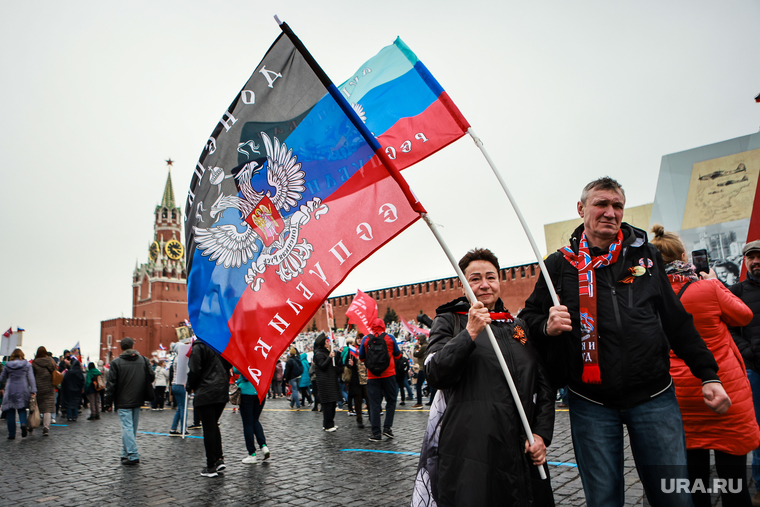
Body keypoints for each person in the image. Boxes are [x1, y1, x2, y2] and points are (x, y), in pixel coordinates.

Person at [521, 177, 728, 507]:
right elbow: (526, 322)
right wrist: (545, 325)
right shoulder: (559, 266)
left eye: (617, 205)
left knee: (674, 498)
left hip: (654, 396)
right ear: (581, 209)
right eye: (601, 204)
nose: (610, 212)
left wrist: (709, 373)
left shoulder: (645, 255)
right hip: (590, 401)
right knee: (603, 499)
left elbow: (676, 320)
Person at [415, 248, 555, 506]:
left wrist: (541, 435)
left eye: (490, 277)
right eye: (475, 278)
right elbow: (435, 373)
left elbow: (544, 386)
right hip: (472, 452)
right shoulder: (450, 321)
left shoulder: (517, 325)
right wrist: (469, 333)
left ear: (500, 281)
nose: (484, 285)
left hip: (519, 450)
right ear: (462, 283)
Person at [651, 224, 757, 506]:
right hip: (722, 387)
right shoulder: (707, 287)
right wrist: (715, 283)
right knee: (734, 480)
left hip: (681, 395)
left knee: (694, 478)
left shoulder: (652, 296)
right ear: (685, 256)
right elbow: (744, 316)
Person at [728, 239, 760, 506]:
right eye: (751, 257)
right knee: (758, 432)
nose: (756, 261)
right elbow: (728, 329)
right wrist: (746, 351)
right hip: (754, 370)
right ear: (745, 261)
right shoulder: (735, 291)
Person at [104, 337, 155, 465]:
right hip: (138, 398)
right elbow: (152, 376)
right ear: (133, 345)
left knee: (127, 428)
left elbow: (111, 384)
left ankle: (132, 454)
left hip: (122, 400)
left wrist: (107, 403)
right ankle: (125, 452)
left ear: (121, 348)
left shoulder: (116, 363)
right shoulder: (143, 360)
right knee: (131, 429)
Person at [186, 339, 231, 478]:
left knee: (209, 428)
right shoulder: (220, 344)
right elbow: (229, 364)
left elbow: (194, 369)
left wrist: (189, 386)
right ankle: (219, 459)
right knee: (214, 425)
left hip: (206, 391)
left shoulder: (199, 347)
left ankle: (211, 466)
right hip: (221, 391)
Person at [359, 318, 401, 441]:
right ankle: (387, 428)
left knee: (374, 404)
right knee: (391, 401)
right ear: (383, 326)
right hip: (388, 375)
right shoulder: (390, 338)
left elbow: (361, 358)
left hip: (372, 376)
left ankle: (376, 433)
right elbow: (397, 355)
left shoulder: (366, 339)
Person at [232, 366, 270, 464]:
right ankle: (263, 446)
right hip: (260, 391)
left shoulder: (245, 356)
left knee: (248, 423)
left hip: (246, 392)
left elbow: (235, 370)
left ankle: (252, 454)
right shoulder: (262, 354)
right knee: (255, 420)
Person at [0, 348, 37, 439]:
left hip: (10, 389)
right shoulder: (27, 365)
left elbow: (2, 379)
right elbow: (31, 378)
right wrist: (33, 390)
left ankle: (11, 434)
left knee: (10, 412)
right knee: (22, 409)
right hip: (23, 389)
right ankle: (23, 424)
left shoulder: (8, 365)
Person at [313, 333, 343, 432]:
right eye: (326, 341)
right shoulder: (318, 353)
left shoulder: (325, 352)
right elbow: (322, 366)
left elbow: (333, 364)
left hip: (330, 380)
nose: (328, 343)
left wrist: (337, 354)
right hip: (325, 382)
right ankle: (328, 425)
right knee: (328, 404)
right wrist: (330, 357)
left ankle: (329, 423)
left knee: (332, 403)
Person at [32, 347, 56, 436]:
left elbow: (32, 375)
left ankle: (32, 424)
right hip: (49, 386)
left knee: (35, 406)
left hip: (38, 386)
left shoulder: (35, 362)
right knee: (47, 409)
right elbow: (55, 370)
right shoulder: (50, 360)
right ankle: (46, 427)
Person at [346, 337, 370, 429]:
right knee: (358, 401)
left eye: (361, 338)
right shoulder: (353, 351)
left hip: (367, 379)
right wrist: (350, 364)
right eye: (358, 338)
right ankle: (359, 419)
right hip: (357, 381)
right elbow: (345, 363)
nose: (359, 340)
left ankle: (372, 418)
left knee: (369, 400)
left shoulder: (367, 350)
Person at [61, 357, 85, 422]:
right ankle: (75, 416)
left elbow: (64, 381)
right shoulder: (80, 373)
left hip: (69, 390)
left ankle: (69, 417)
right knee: (76, 404)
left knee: (69, 404)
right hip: (77, 390)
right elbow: (82, 381)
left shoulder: (69, 372)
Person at [169, 357, 186, 436]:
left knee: (180, 408)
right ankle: (183, 429)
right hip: (181, 384)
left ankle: (173, 428)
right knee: (183, 408)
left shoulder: (175, 358)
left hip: (174, 384)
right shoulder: (182, 359)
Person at [412, 334, 428, 409]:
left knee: (418, 385)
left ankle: (419, 402)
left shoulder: (423, 347)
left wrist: (416, 347)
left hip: (422, 368)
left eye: (418, 340)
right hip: (427, 367)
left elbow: (416, 354)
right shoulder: (427, 345)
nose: (417, 341)